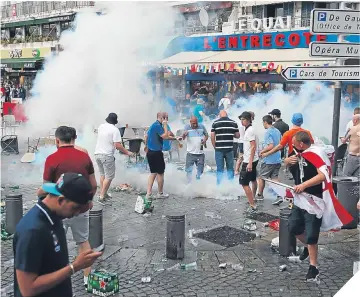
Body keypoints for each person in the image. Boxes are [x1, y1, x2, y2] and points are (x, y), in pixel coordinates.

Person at [14, 173, 102, 297]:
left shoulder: (55, 216)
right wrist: (74, 267)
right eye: (75, 208)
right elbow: (28, 289)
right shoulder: (32, 231)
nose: (77, 213)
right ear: (60, 199)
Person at [36, 126, 97, 289]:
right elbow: (94, 184)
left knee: (54, 245)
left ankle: (55, 280)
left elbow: (46, 187)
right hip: (81, 208)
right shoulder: (84, 157)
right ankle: (87, 279)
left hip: (59, 211)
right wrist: (89, 200)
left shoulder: (52, 158)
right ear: (74, 139)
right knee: (83, 242)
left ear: (57, 140)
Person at [285, 132, 325, 282]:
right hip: (299, 199)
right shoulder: (294, 153)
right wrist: (287, 161)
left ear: (301, 144)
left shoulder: (316, 154)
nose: (292, 146)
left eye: (294, 143)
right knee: (293, 227)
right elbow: (287, 164)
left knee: (311, 234)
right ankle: (308, 248)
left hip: (314, 199)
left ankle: (313, 268)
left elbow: (323, 175)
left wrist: (303, 185)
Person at [261, 113, 314, 181]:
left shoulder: (288, 133)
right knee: (305, 178)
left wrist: (266, 154)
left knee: (297, 179)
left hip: (293, 159)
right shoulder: (307, 133)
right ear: (302, 122)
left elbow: (279, 147)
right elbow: (312, 144)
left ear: (292, 121)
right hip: (306, 159)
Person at [94, 113, 134, 202]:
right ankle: (101, 196)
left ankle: (104, 193)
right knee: (109, 177)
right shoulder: (115, 130)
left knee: (102, 175)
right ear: (115, 121)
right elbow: (117, 145)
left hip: (97, 154)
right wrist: (127, 152)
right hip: (107, 155)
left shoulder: (101, 126)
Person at [144, 112, 177, 199]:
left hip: (150, 152)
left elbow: (147, 137)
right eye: (166, 118)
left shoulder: (153, 125)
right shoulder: (158, 126)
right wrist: (165, 125)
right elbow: (165, 136)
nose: (167, 120)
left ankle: (148, 193)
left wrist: (175, 138)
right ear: (162, 118)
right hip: (156, 153)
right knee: (160, 173)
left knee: (153, 173)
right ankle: (160, 193)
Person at [257, 115, 283, 205]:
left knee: (261, 177)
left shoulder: (268, 132)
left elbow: (271, 145)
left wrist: (262, 151)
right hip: (277, 159)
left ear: (265, 122)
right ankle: (280, 195)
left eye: (262, 123)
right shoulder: (277, 131)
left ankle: (259, 195)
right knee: (274, 178)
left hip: (268, 160)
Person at [211, 110, 240, 185]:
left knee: (220, 169)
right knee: (230, 169)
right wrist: (230, 133)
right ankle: (231, 185)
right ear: (227, 115)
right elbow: (237, 135)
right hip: (229, 149)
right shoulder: (233, 123)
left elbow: (212, 136)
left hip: (219, 150)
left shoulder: (215, 123)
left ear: (220, 115)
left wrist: (215, 147)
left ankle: (219, 186)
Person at [238, 111, 259, 214]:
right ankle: (253, 199)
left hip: (250, 161)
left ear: (248, 120)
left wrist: (249, 162)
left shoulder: (250, 130)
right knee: (253, 179)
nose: (242, 121)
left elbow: (253, 146)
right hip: (252, 159)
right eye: (241, 119)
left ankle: (252, 204)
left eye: (243, 119)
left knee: (244, 183)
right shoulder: (249, 130)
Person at [182, 116, 209, 182]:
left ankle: (198, 182)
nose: (195, 125)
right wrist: (184, 135)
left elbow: (206, 135)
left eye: (196, 123)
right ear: (190, 122)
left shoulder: (202, 126)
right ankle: (189, 183)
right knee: (189, 171)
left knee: (200, 170)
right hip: (190, 153)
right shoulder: (186, 127)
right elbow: (183, 138)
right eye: (193, 123)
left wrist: (205, 140)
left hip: (200, 153)